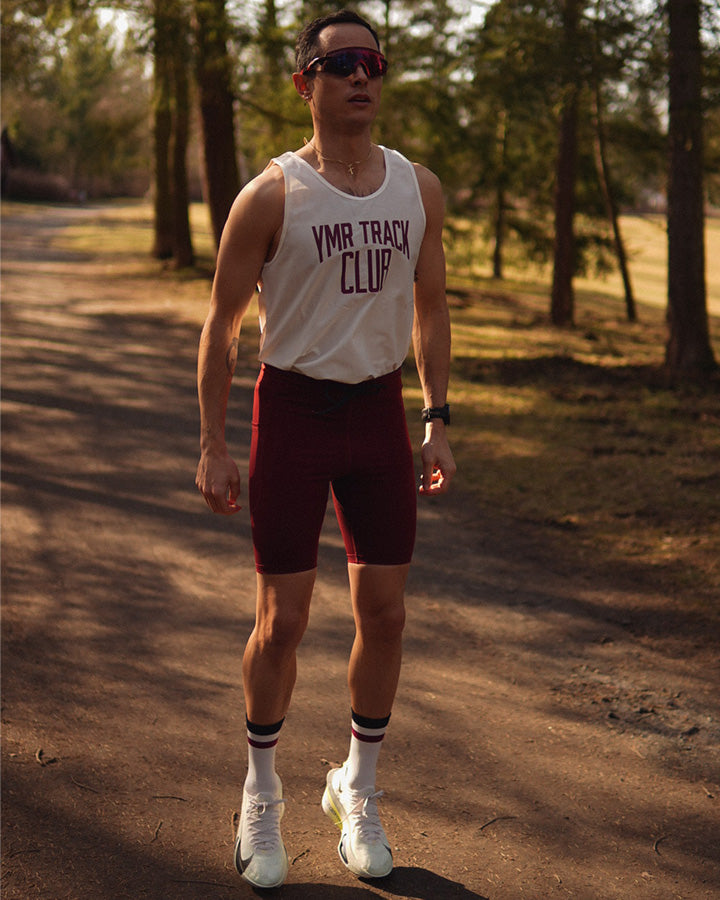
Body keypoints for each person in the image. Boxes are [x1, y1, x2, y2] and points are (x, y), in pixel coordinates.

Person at [195, 8, 455, 889]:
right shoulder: (271, 195)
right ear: (305, 81)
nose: (361, 77)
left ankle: (358, 785)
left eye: (373, 62)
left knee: (385, 614)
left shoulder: (416, 187)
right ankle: (260, 792)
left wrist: (438, 416)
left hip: (380, 413)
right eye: (341, 63)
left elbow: (431, 307)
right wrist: (212, 444)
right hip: (296, 410)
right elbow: (223, 326)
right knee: (285, 621)